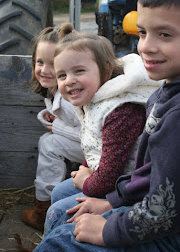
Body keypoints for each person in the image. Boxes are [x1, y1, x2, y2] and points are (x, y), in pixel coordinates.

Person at [32, 0, 180, 251]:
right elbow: (148, 170)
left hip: (163, 225)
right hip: (140, 198)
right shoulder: (162, 94)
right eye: (143, 33)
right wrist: (114, 200)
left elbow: (163, 209)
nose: (146, 46)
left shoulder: (166, 114)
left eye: (165, 34)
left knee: (59, 240)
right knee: (62, 200)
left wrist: (110, 225)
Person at [40, 22, 161, 237]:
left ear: (105, 71)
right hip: (109, 178)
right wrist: (84, 169)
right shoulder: (95, 101)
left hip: (127, 187)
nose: (69, 81)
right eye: (62, 75)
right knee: (59, 191)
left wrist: (86, 182)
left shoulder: (120, 112)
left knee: (58, 211)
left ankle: (61, 240)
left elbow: (109, 175)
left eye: (79, 71)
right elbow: (95, 144)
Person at [21, 25, 84, 232]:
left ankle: (43, 210)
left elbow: (90, 133)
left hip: (104, 149)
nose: (45, 70)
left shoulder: (69, 97)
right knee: (48, 142)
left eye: (53, 63)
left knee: (48, 144)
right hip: (92, 145)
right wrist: (52, 119)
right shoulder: (57, 90)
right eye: (40, 62)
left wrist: (57, 127)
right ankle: (47, 204)